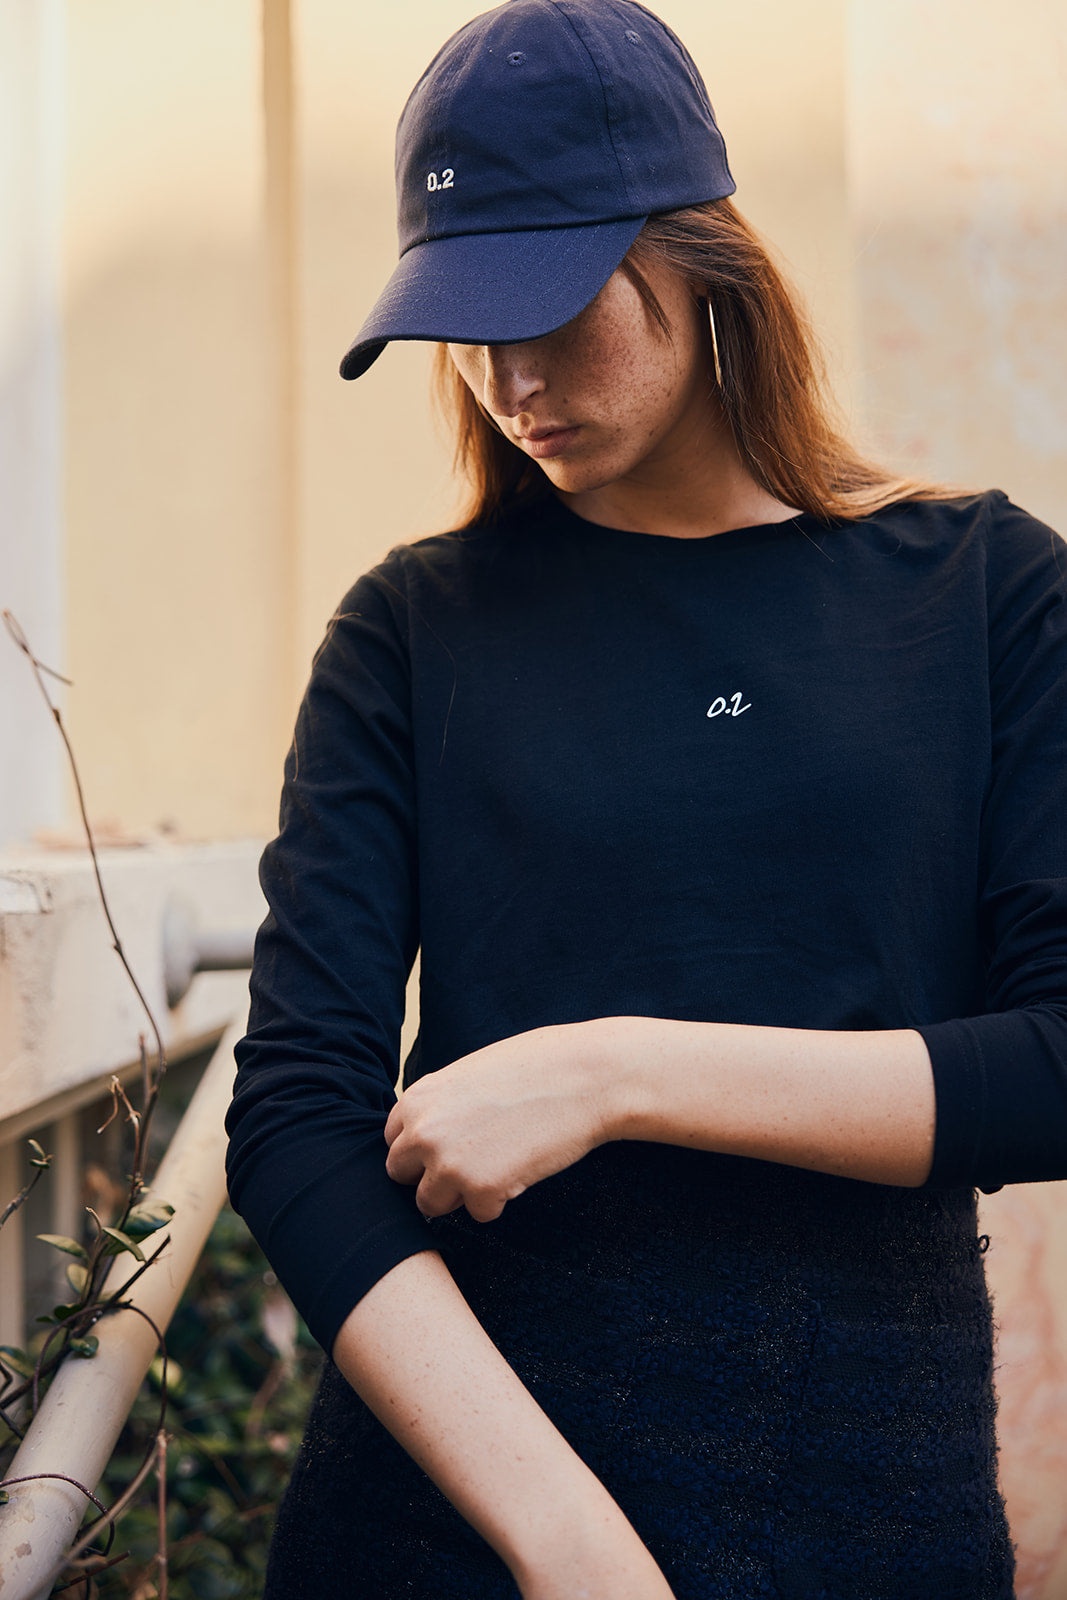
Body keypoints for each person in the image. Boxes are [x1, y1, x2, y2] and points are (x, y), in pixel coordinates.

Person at [225, 2, 1067, 1595]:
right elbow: (294, 1122)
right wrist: (564, 1541)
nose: (510, 378)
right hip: (450, 1523)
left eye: (550, 308)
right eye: (465, 326)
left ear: (700, 258)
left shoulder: (983, 592)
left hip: (868, 1500)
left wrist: (613, 1073)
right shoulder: (410, 631)